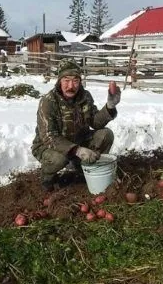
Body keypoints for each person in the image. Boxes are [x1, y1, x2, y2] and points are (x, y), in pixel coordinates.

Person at [32, 59, 121, 192]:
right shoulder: (48, 102)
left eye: (75, 81)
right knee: (59, 159)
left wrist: (110, 106)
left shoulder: (85, 96)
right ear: (59, 81)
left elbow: (95, 122)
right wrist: (77, 150)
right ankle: (47, 177)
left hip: (79, 140)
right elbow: (49, 136)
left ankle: (84, 168)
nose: (70, 86)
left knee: (106, 134)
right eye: (66, 80)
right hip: (49, 146)